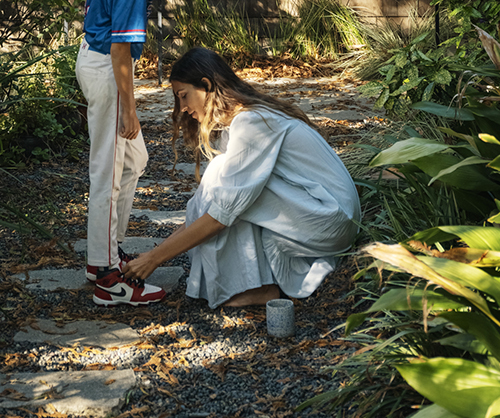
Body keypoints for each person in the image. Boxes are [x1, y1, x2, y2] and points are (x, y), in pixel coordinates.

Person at [123, 47, 361, 309]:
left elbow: (220, 215)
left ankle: (260, 289)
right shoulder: (243, 120)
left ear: (206, 85)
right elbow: (215, 208)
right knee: (226, 183)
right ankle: (258, 284)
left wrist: (155, 258)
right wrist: (152, 255)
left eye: (183, 96)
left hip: (331, 219)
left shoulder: (252, 122)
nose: (182, 108)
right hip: (321, 213)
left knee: (222, 181)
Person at [76, 0, 202, 307]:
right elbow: (120, 50)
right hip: (108, 71)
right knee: (108, 175)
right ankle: (109, 278)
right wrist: (130, 108)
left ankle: (106, 254)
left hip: (92, 62)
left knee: (133, 161)